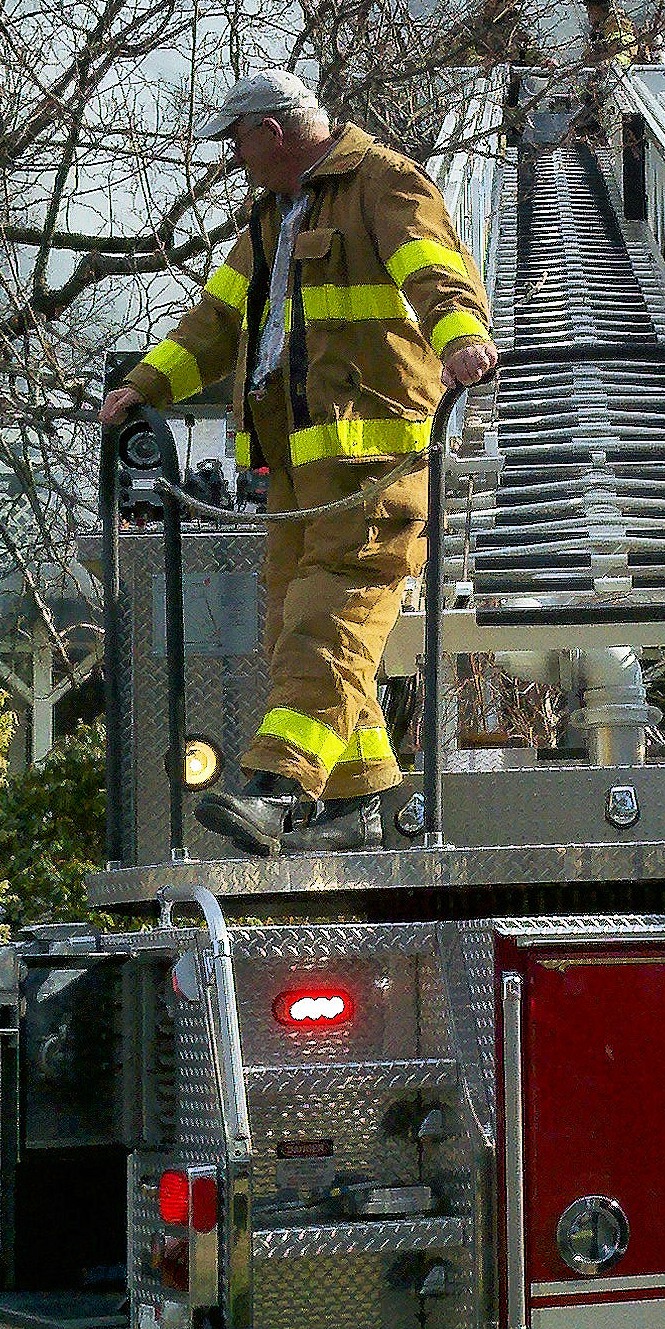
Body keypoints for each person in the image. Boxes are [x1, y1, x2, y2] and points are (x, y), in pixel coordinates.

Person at [101, 69, 499, 855]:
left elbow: (436, 271)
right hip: (296, 476)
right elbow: (215, 324)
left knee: (328, 623)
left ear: (272, 133)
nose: (234, 159)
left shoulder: (383, 181)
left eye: (237, 142)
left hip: (374, 464)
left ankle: (279, 788)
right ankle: (358, 801)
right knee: (295, 629)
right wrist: (142, 386)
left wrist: (461, 339)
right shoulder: (268, 219)